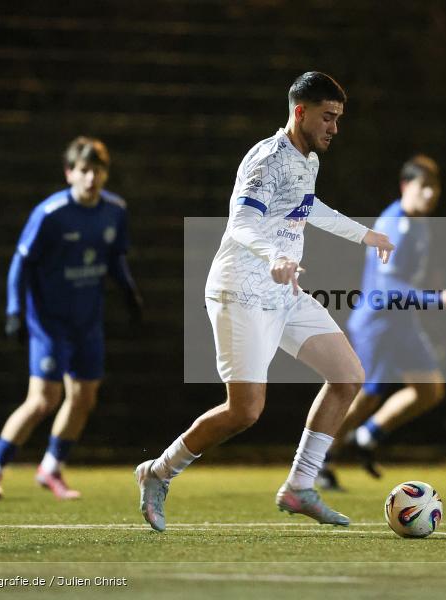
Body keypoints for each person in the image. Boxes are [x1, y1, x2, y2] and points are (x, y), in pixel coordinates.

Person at [134, 72, 394, 531]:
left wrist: (364, 234)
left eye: (338, 119)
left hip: (283, 292)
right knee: (245, 411)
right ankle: (158, 471)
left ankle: (299, 486)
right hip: (241, 291)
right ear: (300, 112)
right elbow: (241, 223)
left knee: (349, 376)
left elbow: (308, 207)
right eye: (328, 117)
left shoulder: (306, 159)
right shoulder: (267, 159)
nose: (335, 127)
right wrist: (275, 253)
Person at [0, 136, 143, 500]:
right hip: (49, 320)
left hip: (88, 320)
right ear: (69, 173)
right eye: (83, 170)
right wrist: (14, 312)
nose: (90, 178)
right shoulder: (50, 214)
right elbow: (21, 263)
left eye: (97, 170)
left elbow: (115, 258)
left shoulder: (115, 210)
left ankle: (51, 468)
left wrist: (129, 294)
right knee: (43, 398)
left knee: (84, 396)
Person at [316, 155, 446, 490]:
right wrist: (438, 299)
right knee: (365, 397)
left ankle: (366, 437)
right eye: (423, 186)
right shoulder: (393, 224)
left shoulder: (418, 225)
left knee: (429, 389)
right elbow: (388, 288)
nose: (430, 194)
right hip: (378, 323)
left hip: (402, 322)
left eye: (435, 188)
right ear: (405, 187)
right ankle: (318, 460)